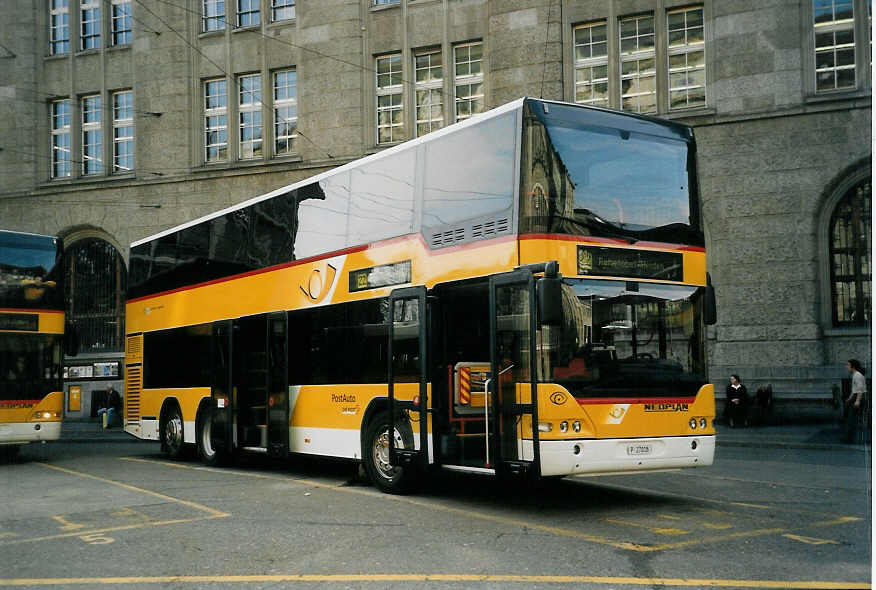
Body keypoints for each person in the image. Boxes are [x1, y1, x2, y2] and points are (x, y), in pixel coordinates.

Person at [844, 359, 867, 443]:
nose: (847, 367)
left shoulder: (857, 375)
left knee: (852, 419)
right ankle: (850, 438)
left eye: (848, 365)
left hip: (858, 397)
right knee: (852, 418)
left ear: (852, 366)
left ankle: (850, 439)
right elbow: (854, 390)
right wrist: (849, 399)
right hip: (856, 397)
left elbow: (860, 390)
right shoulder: (855, 375)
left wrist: (857, 401)